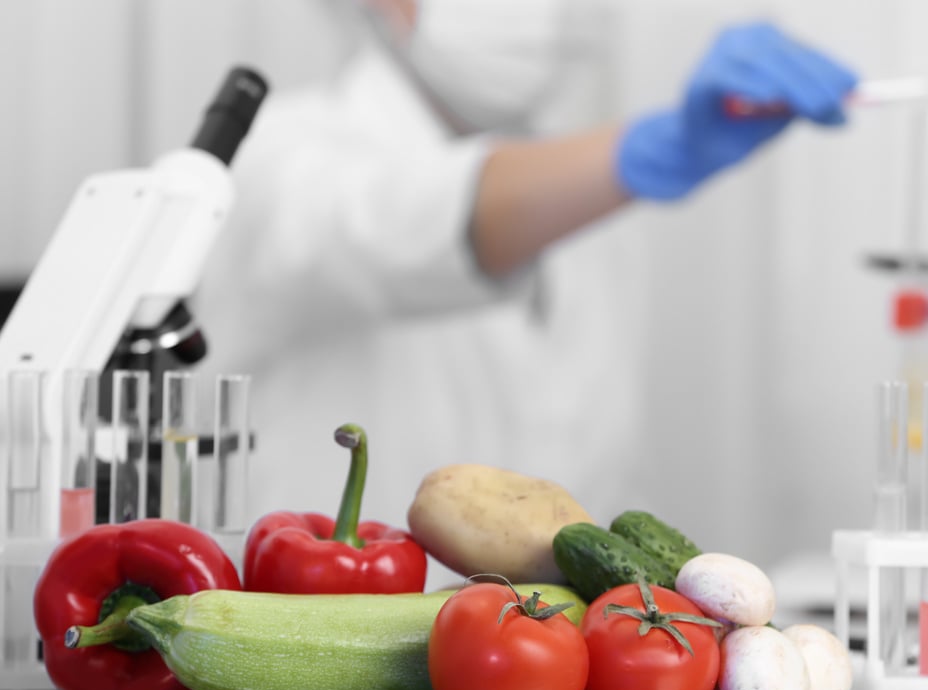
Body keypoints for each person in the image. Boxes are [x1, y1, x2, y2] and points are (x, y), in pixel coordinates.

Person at [194, 0, 858, 586]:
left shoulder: (593, 211)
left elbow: (602, 488)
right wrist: (655, 150)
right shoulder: (277, 156)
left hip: (546, 686)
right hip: (331, 685)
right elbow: (398, 218)